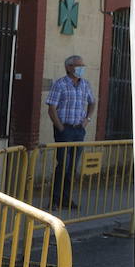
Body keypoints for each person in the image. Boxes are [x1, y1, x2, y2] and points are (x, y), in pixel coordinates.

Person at [45, 55, 96, 209]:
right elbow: (52, 108)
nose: (81, 68)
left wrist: (87, 120)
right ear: (68, 67)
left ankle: (66, 199)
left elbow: (92, 102)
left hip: (78, 130)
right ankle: (55, 200)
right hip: (64, 129)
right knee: (63, 165)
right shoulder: (60, 84)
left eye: (82, 65)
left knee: (73, 166)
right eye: (78, 65)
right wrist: (60, 127)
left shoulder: (85, 84)